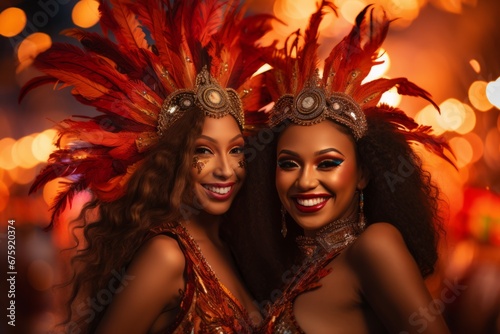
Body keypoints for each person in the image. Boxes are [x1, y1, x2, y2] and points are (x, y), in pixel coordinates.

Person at [23, 0, 275, 332]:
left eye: (237, 151)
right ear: (169, 159)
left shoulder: (234, 245)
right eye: (203, 151)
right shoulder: (167, 256)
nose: (226, 169)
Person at [250, 3, 454, 333]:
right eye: (289, 163)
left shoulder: (375, 245)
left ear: (363, 174)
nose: (305, 180)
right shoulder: (302, 267)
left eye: (328, 163)